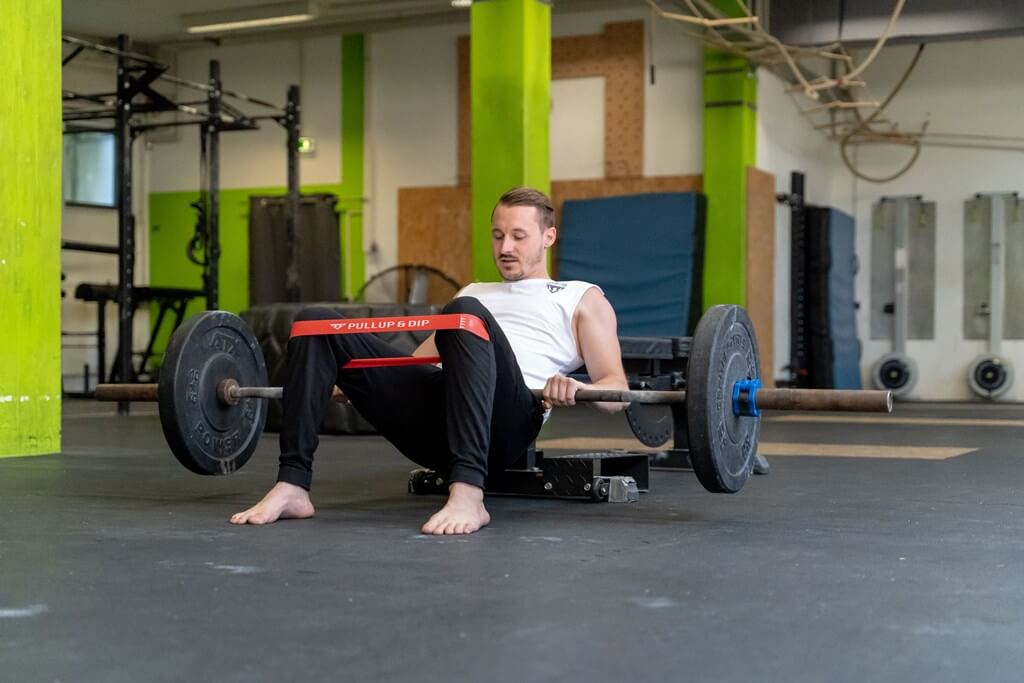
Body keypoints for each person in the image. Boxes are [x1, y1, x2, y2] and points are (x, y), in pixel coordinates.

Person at [231, 187, 629, 534]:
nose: (505, 247)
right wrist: (361, 380)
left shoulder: (579, 296)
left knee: (466, 311)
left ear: (549, 236)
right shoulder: (475, 290)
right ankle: (293, 483)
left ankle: (470, 492)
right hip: (437, 424)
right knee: (315, 324)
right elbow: (417, 364)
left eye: (518, 236)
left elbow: (618, 391)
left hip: (505, 421)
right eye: (498, 235)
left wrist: (578, 387)